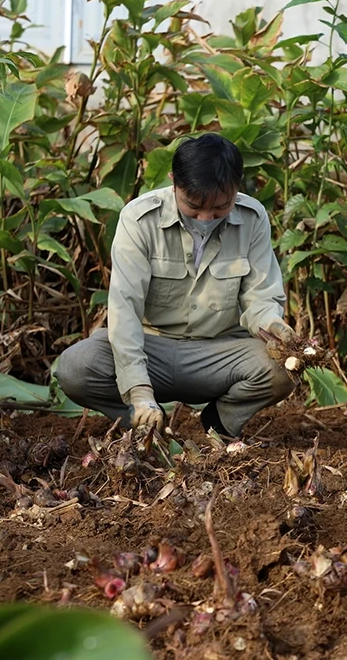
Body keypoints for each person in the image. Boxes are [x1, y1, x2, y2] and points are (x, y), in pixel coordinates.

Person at [55, 133, 296, 437]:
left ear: (237, 188)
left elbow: (259, 297)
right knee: (75, 366)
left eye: (220, 207)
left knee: (284, 366)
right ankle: (144, 425)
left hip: (218, 353)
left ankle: (219, 424)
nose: (205, 218)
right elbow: (125, 309)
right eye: (193, 206)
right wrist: (139, 391)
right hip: (151, 349)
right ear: (173, 183)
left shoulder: (253, 217)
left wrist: (273, 325)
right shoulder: (139, 219)